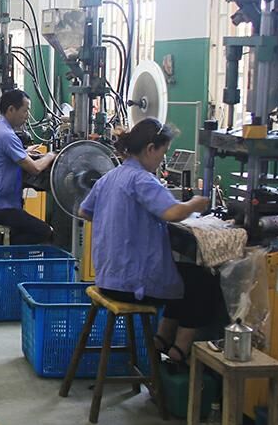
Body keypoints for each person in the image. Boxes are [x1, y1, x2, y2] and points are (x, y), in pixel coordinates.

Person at [78, 118, 215, 366]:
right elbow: (172, 213)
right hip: (132, 285)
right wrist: (195, 203)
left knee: (181, 279)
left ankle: (161, 339)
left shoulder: (110, 177)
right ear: (151, 149)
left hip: (107, 278)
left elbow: (84, 211)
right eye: (163, 153)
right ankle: (180, 351)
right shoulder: (142, 180)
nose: (162, 160)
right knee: (202, 281)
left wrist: (117, 219)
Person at [0, 89, 56, 245]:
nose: (27, 115)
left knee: (21, 223)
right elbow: (35, 168)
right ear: (11, 109)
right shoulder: (6, 135)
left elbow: (2, 152)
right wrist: (51, 155)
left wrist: (23, 152)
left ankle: (1, 250)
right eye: (25, 111)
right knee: (45, 232)